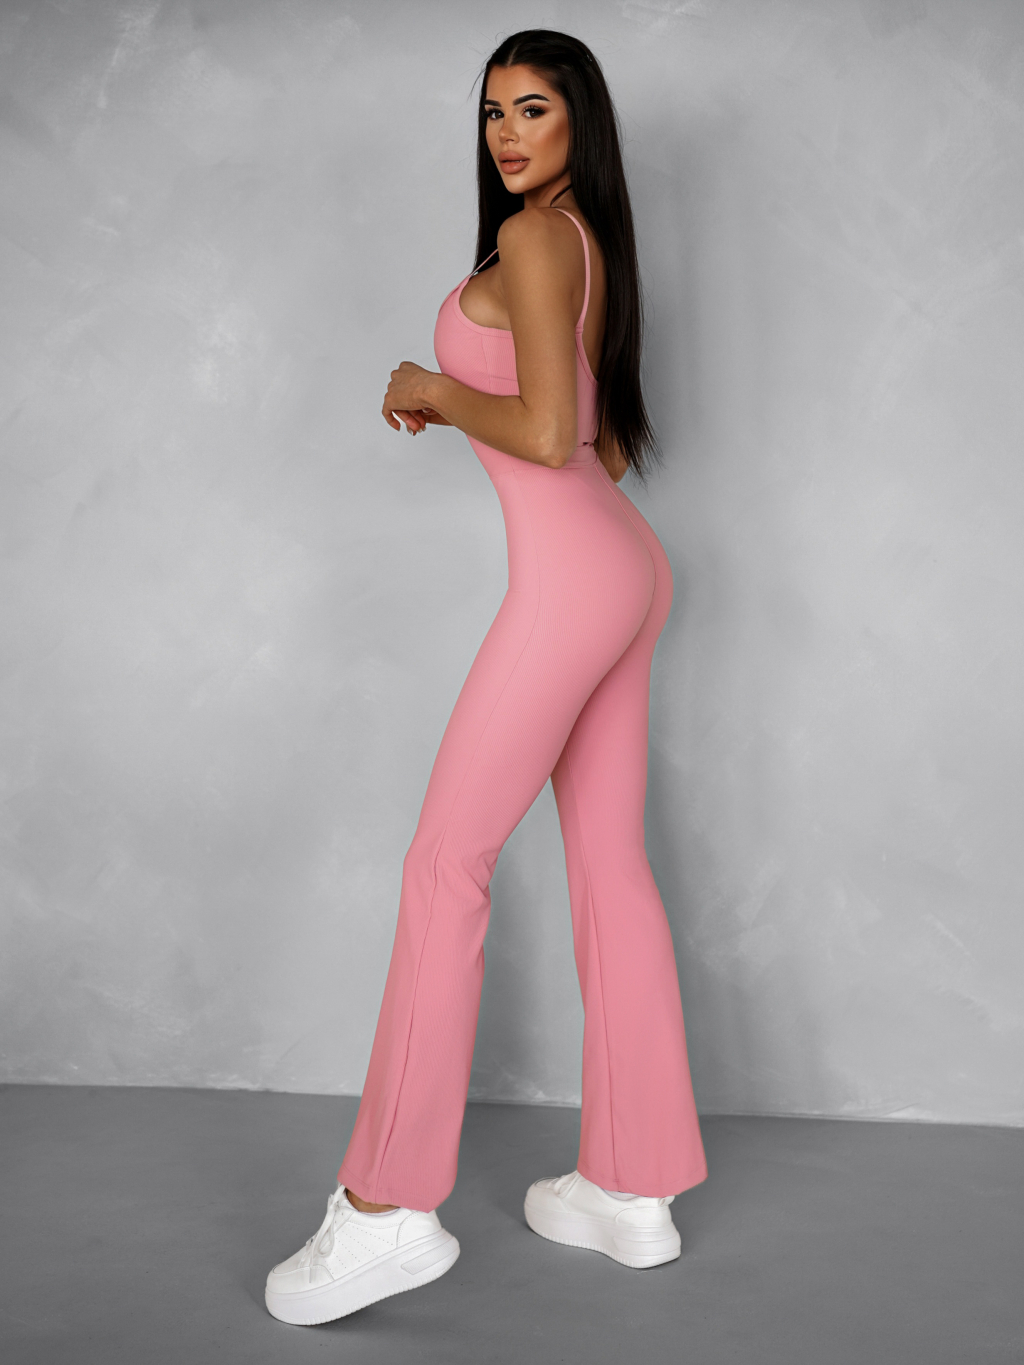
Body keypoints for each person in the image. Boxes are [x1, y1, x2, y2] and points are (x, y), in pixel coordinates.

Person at [264, 29, 707, 1327]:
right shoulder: (587, 241)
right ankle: (630, 1187)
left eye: (535, 110)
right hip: (625, 567)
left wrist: (435, 387)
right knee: (609, 867)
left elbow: (552, 433)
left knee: (443, 863)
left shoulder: (532, 236)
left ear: (581, 125)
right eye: (494, 112)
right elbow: (600, 449)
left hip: (572, 586)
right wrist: (476, 402)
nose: (508, 134)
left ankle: (388, 1210)